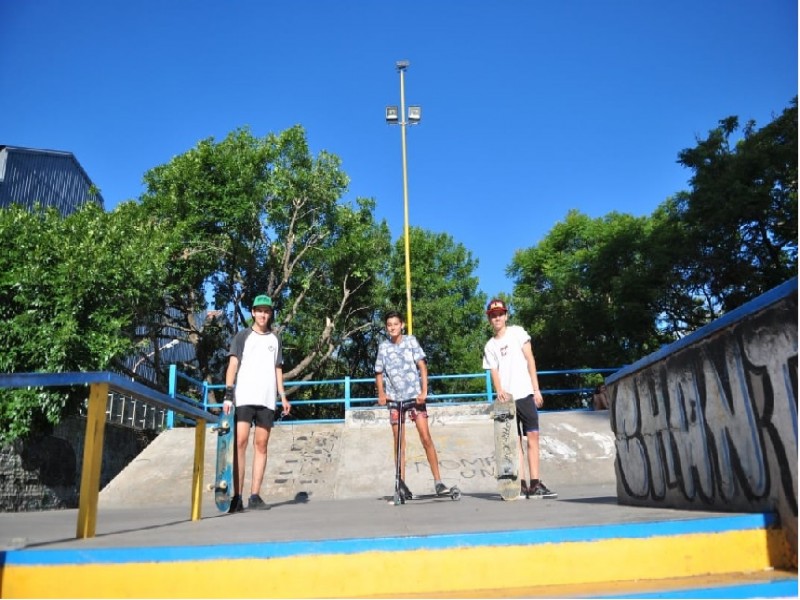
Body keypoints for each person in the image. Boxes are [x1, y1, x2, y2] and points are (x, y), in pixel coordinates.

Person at [482, 298, 557, 500]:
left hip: (525, 393)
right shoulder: (490, 346)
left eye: (500, 314)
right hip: (508, 400)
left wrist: (536, 389)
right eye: (493, 315)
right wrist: (499, 390)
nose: (497, 318)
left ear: (505, 316)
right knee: (515, 443)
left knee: (532, 437)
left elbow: (530, 359)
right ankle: (520, 484)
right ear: (489, 319)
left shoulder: (518, 333)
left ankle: (535, 483)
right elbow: (494, 371)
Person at [223, 294, 290, 512]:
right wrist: (228, 394)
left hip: (267, 399)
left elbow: (277, 368)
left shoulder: (275, 339)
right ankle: (237, 496)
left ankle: (255, 495)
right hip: (244, 397)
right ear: (253, 312)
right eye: (259, 310)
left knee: (261, 445)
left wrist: (283, 395)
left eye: (267, 311)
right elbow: (233, 365)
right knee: (240, 442)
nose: (263, 314)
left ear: (270, 314)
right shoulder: (242, 336)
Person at [375, 310, 450, 499]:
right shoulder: (383, 347)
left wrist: (424, 391)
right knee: (399, 442)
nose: (392, 327)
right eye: (389, 325)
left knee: (425, 437)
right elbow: (378, 372)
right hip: (395, 399)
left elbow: (422, 366)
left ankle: (438, 482)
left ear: (402, 325)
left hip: (414, 398)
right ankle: (400, 484)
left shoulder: (411, 341)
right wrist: (382, 394)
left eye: (395, 324)